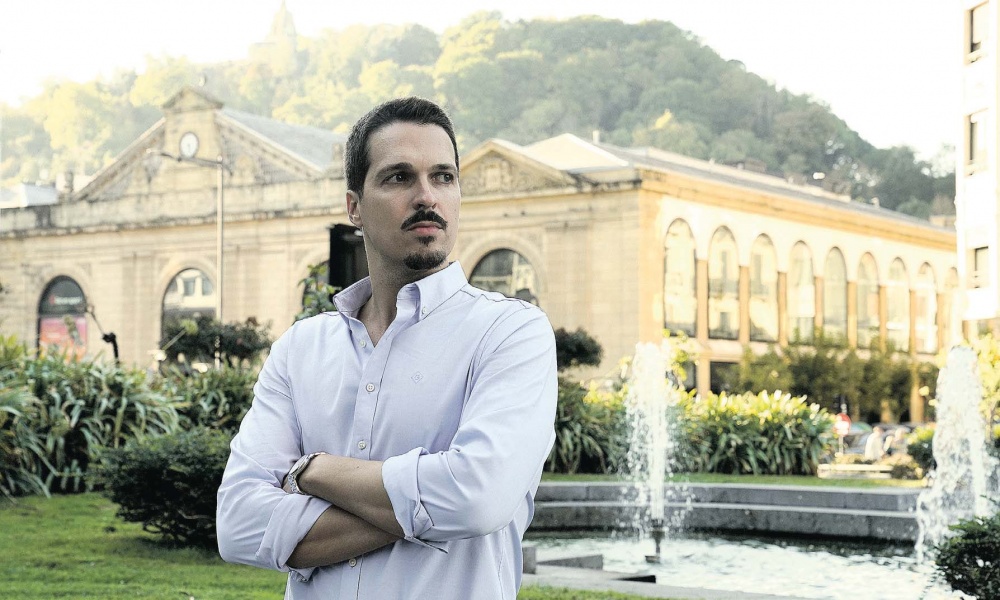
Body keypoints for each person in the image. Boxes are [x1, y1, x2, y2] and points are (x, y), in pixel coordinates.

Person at [216, 97, 558, 599]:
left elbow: (478, 498)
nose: (427, 196)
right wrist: (430, 505)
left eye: (443, 177)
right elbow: (238, 525)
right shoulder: (300, 348)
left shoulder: (510, 332)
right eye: (399, 177)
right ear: (353, 206)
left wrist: (313, 472)